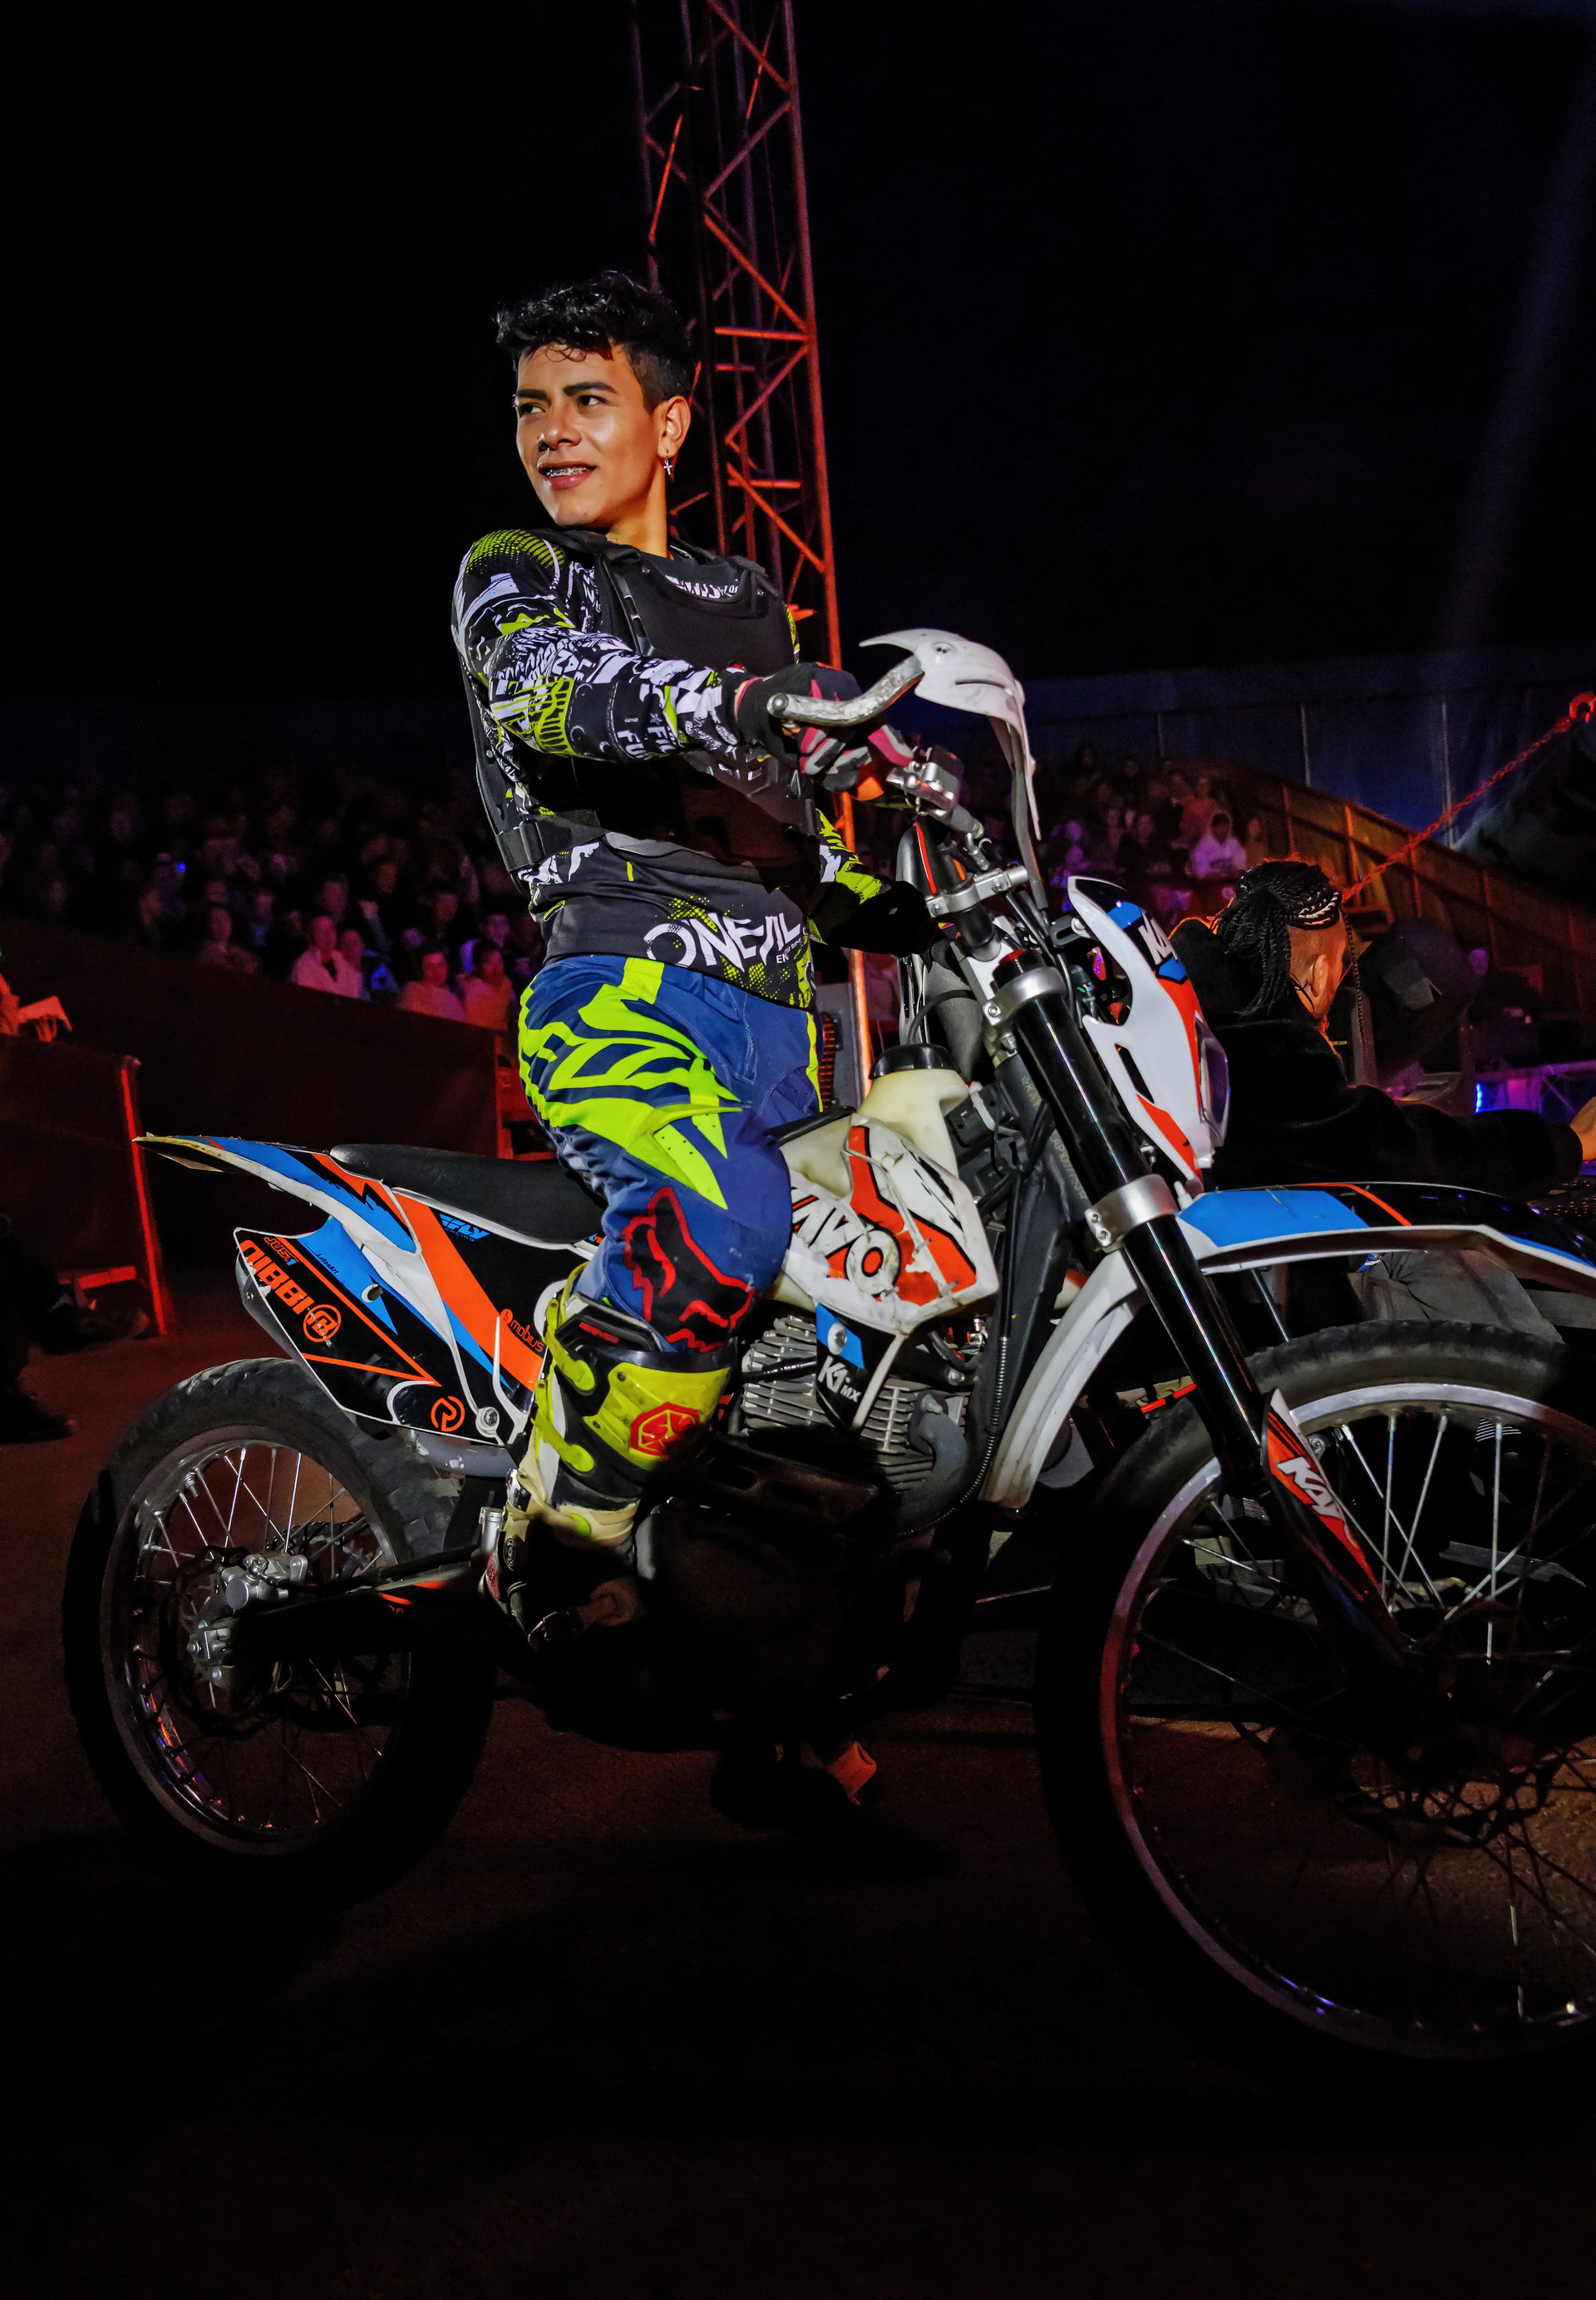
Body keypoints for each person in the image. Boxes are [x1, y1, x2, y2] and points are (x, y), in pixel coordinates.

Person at [451, 270, 939, 1643]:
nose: (552, 430)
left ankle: (785, 1701)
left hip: (784, 1030)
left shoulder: (743, 592)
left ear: (667, 427)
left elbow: (762, 819)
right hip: (623, 999)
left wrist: (880, 894)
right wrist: (743, 698)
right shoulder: (517, 570)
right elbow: (547, 690)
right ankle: (556, 1529)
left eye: (586, 400)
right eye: (531, 407)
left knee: (817, 1370)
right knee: (720, 1226)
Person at [1174, 860, 1596, 1333]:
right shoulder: (1262, 1050)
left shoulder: (1208, 1009)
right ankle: (1537, 1380)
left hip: (1243, 1271)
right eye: (1342, 966)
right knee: (1464, 1268)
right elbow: (1387, 1149)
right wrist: (1564, 1145)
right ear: (1318, 973)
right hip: (1261, 1299)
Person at [290, 913, 362, 995]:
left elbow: (354, 992)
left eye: (331, 929)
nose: (328, 935)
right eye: (321, 931)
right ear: (311, 936)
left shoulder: (341, 960)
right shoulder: (303, 965)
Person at [459, 941, 515, 1034]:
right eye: (489, 962)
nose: (496, 967)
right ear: (477, 966)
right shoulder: (473, 995)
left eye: (499, 961)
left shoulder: (506, 984)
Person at [397, 945, 466, 1021]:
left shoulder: (454, 1000)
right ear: (421, 970)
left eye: (440, 965)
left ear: (447, 967)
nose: (436, 972)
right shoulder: (413, 991)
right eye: (429, 967)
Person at [1189, 809, 1247, 885]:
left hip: (1231, 884)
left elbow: (1240, 867)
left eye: (1224, 826)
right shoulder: (1203, 846)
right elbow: (1201, 873)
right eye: (1218, 826)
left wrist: (1234, 872)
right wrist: (1220, 875)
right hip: (1209, 886)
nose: (1222, 830)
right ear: (1212, 828)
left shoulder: (1234, 844)